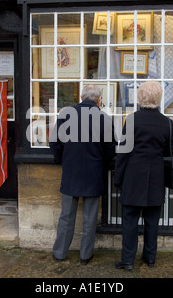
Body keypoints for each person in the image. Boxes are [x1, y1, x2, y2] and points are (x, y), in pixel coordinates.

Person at [114, 81, 173, 271]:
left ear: (140, 97)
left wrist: (117, 179)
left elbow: (123, 153)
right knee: (152, 222)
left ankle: (128, 260)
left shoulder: (133, 119)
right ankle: (150, 258)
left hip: (133, 176)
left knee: (130, 222)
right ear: (159, 98)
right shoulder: (166, 123)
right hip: (156, 178)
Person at [49, 84, 117, 265]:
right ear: (98, 100)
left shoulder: (66, 115)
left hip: (71, 170)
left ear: (81, 97)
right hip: (94, 172)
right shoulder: (104, 119)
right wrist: (103, 162)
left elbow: (54, 142)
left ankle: (60, 253)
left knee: (66, 216)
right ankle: (85, 256)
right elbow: (111, 148)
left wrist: (62, 160)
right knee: (90, 218)